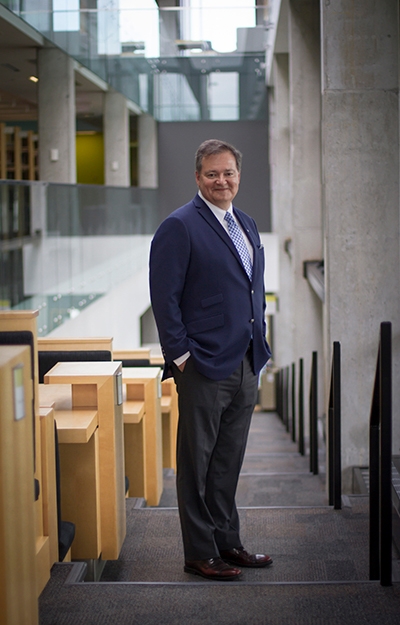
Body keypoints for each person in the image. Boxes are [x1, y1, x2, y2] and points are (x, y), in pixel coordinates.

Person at [149, 139, 272, 581]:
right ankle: (199, 553)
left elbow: (251, 289)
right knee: (197, 464)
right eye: (213, 174)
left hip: (245, 361)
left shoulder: (246, 223)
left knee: (227, 462)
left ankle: (227, 542)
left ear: (239, 175)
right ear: (198, 177)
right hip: (202, 365)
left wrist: (259, 344)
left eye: (229, 173)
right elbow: (164, 299)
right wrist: (182, 356)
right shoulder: (179, 226)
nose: (222, 181)